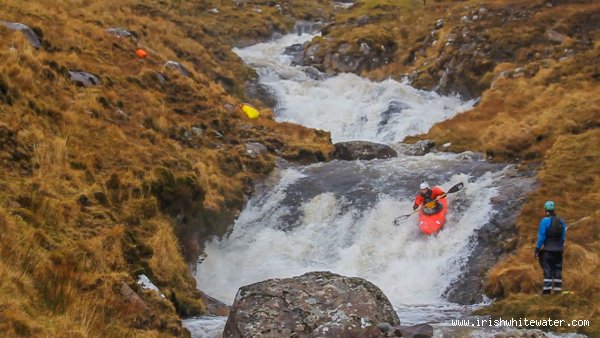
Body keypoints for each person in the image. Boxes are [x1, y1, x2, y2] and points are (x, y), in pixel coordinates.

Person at [535, 200, 567, 295]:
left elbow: (541, 237)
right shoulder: (561, 221)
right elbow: (563, 237)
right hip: (559, 250)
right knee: (558, 268)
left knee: (547, 268)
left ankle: (546, 290)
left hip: (548, 250)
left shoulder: (545, 221)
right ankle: (557, 290)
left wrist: (537, 248)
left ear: (546, 210)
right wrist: (559, 245)